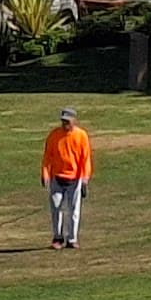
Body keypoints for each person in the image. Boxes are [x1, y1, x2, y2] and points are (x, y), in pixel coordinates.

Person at [43, 106, 92, 249]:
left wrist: (84, 178)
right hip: (57, 178)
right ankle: (58, 237)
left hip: (74, 179)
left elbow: (85, 159)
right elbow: (47, 157)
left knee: (73, 209)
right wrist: (45, 174)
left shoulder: (81, 136)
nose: (65, 124)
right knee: (56, 208)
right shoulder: (54, 135)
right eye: (63, 121)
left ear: (74, 121)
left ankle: (72, 238)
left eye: (68, 121)